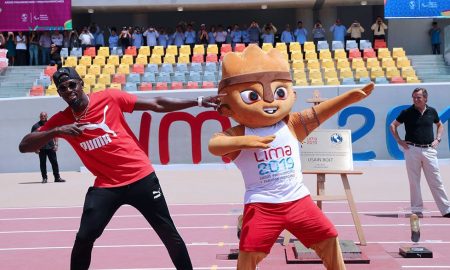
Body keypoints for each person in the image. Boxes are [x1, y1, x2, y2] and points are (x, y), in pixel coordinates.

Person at [19, 67, 221, 270]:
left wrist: (199, 101)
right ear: (59, 93)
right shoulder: (61, 120)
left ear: (81, 83)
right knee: (84, 237)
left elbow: (156, 104)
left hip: (140, 178)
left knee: (168, 233)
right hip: (107, 186)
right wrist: (56, 131)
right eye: (63, 88)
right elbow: (24, 146)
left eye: (72, 85)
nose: (69, 90)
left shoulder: (109, 98)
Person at [209, 44, 375, 270]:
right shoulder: (240, 132)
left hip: (298, 200)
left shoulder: (292, 124)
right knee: (248, 253)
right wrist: (243, 142)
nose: (269, 101)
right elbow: (215, 145)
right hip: (262, 205)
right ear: (227, 107)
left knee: (329, 237)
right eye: (253, 96)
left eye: (279, 92)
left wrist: (347, 98)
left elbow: (319, 113)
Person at [390, 88, 450, 218]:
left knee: (436, 180)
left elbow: (440, 125)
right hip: (412, 149)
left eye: (419, 97)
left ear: (425, 98)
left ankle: (446, 210)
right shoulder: (407, 112)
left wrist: (438, 139)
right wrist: (399, 141)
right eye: (414, 97)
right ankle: (417, 210)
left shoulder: (432, 111)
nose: (416, 100)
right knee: (414, 181)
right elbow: (393, 125)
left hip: (429, 150)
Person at [31, 112, 65, 184]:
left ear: (47, 116)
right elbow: (32, 138)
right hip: (41, 148)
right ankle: (44, 178)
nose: (43, 117)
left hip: (51, 147)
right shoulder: (35, 126)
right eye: (41, 116)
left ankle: (57, 177)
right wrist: (35, 148)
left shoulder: (51, 124)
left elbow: (55, 134)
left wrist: (56, 144)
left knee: (54, 163)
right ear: (39, 117)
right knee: (43, 164)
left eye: (44, 116)